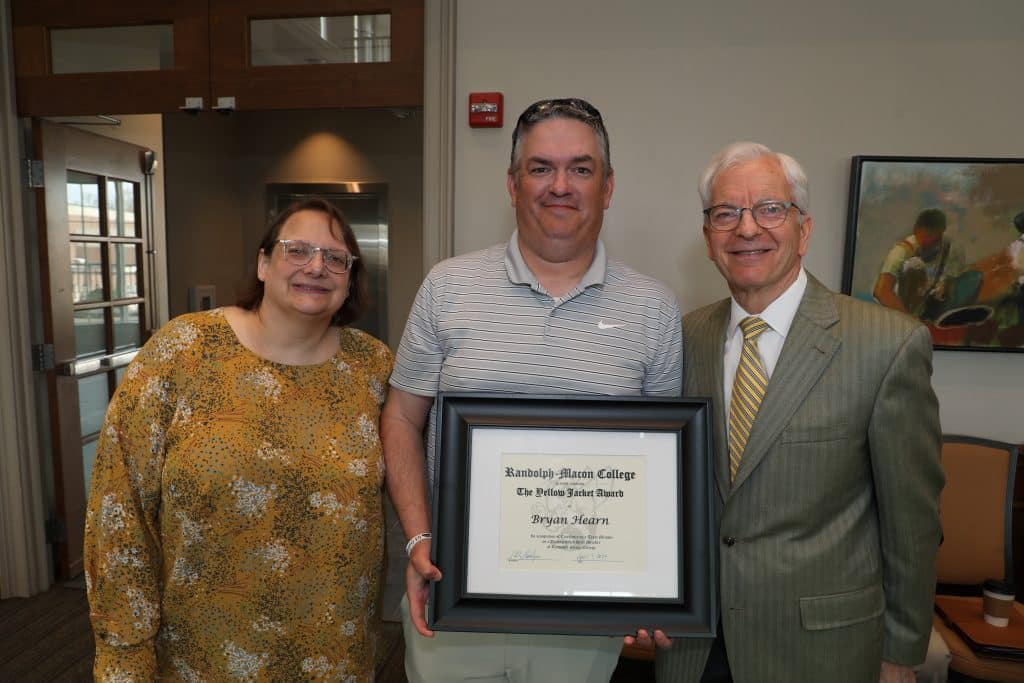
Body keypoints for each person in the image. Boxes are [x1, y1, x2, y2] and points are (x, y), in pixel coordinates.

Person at [382, 98, 683, 683]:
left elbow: (664, 460)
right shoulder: (448, 287)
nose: (560, 186)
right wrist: (418, 536)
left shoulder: (654, 308)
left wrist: (658, 583)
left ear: (608, 185)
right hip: (453, 597)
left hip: (584, 613)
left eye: (581, 168)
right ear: (513, 184)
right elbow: (400, 418)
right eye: (541, 168)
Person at [639, 142, 943, 682]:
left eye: (770, 209)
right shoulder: (680, 339)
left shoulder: (886, 344)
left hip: (822, 651)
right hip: (693, 647)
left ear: (804, 230)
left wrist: (900, 652)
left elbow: (911, 524)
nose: (747, 228)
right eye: (725, 213)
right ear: (709, 239)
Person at [84, 198, 393, 681]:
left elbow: (424, 476)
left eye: (336, 258)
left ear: (350, 279)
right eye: (298, 250)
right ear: (263, 262)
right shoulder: (182, 353)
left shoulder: (373, 370)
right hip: (201, 655)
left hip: (334, 654)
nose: (317, 267)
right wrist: (125, 649)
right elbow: (120, 512)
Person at [873, 208, 966, 320]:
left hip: (930, 309)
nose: (924, 241)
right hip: (899, 312)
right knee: (914, 265)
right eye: (922, 236)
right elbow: (882, 291)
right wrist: (910, 321)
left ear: (940, 233)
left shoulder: (951, 249)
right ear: (915, 231)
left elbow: (952, 284)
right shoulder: (902, 251)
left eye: (930, 235)